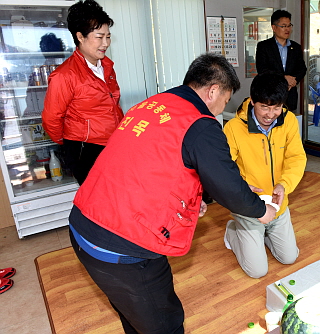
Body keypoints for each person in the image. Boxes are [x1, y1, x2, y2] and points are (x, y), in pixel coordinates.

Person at [68, 53, 277, 334]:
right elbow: (227, 184)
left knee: (134, 316)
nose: (219, 110)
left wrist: (202, 195)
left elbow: (158, 165)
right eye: (225, 100)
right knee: (163, 323)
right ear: (213, 90)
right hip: (122, 247)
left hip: (85, 225)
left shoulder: (151, 105)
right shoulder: (200, 123)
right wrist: (261, 210)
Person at [223, 72, 307, 278]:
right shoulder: (234, 128)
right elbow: (225, 166)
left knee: (289, 258)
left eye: (276, 107)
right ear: (253, 102)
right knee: (258, 271)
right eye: (265, 107)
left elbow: (297, 157)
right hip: (249, 207)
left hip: (278, 206)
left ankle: (263, 235)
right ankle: (233, 231)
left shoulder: (288, 122)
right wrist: (242, 189)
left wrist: (284, 185)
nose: (271, 114)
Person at [42, 0, 124, 185]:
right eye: (99, 37)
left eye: (108, 37)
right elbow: (51, 119)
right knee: (99, 202)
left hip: (113, 142)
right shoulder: (64, 75)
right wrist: (71, 142)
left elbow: (112, 105)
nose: (106, 43)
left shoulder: (107, 67)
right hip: (86, 149)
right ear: (80, 36)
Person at [256, 10, 307, 112]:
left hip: (290, 96)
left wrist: (293, 81)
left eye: (289, 25)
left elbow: (302, 68)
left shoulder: (295, 47)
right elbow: (262, 70)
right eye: (283, 26)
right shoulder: (264, 46)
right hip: (270, 96)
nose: (287, 29)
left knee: (289, 124)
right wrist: (283, 78)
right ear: (274, 27)